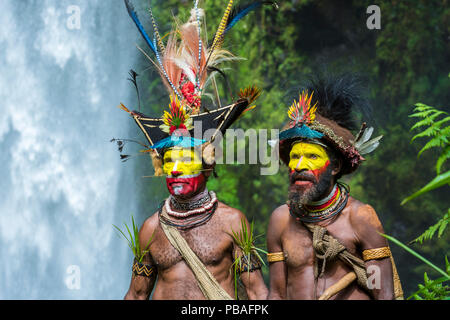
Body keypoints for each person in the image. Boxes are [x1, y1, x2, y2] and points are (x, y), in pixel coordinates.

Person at [118, 0, 269, 300]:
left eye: (185, 160)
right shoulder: (151, 228)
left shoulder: (232, 223)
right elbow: (136, 295)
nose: (173, 169)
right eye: (169, 161)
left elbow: (257, 295)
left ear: (206, 165)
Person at [266, 73, 403, 300]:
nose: (300, 165)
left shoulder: (361, 217)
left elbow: (384, 294)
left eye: (312, 156)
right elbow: (277, 295)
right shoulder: (280, 220)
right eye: (294, 156)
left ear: (336, 166)